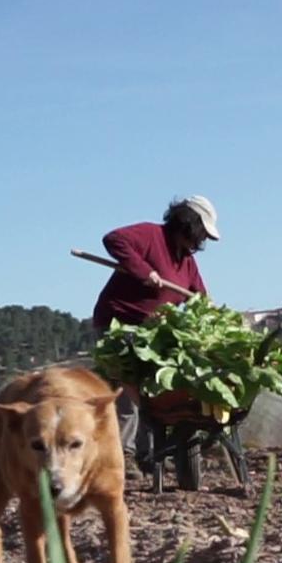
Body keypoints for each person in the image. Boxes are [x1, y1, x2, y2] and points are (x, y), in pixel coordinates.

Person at [93, 195, 221, 470]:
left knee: (156, 394)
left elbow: (198, 295)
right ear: (189, 225)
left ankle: (149, 455)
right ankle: (123, 458)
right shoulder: (151, 235)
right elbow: (113, 239)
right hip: (119, 324)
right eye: (201, 235)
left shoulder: (185, 260)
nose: (201, 244)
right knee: (129, 393)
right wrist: (143, 270)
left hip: (152, 334)